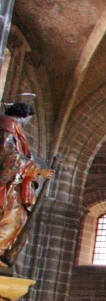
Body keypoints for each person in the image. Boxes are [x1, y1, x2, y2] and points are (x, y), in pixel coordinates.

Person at [0, 101, 55, 267]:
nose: (27, 123)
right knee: (13, 219)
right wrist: (37, 171)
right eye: (28, 119)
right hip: (8, 184)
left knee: (19, 221)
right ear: (22, 116)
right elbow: (10, 156)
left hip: (15, 182)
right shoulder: (7, 127)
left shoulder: (11, 128)